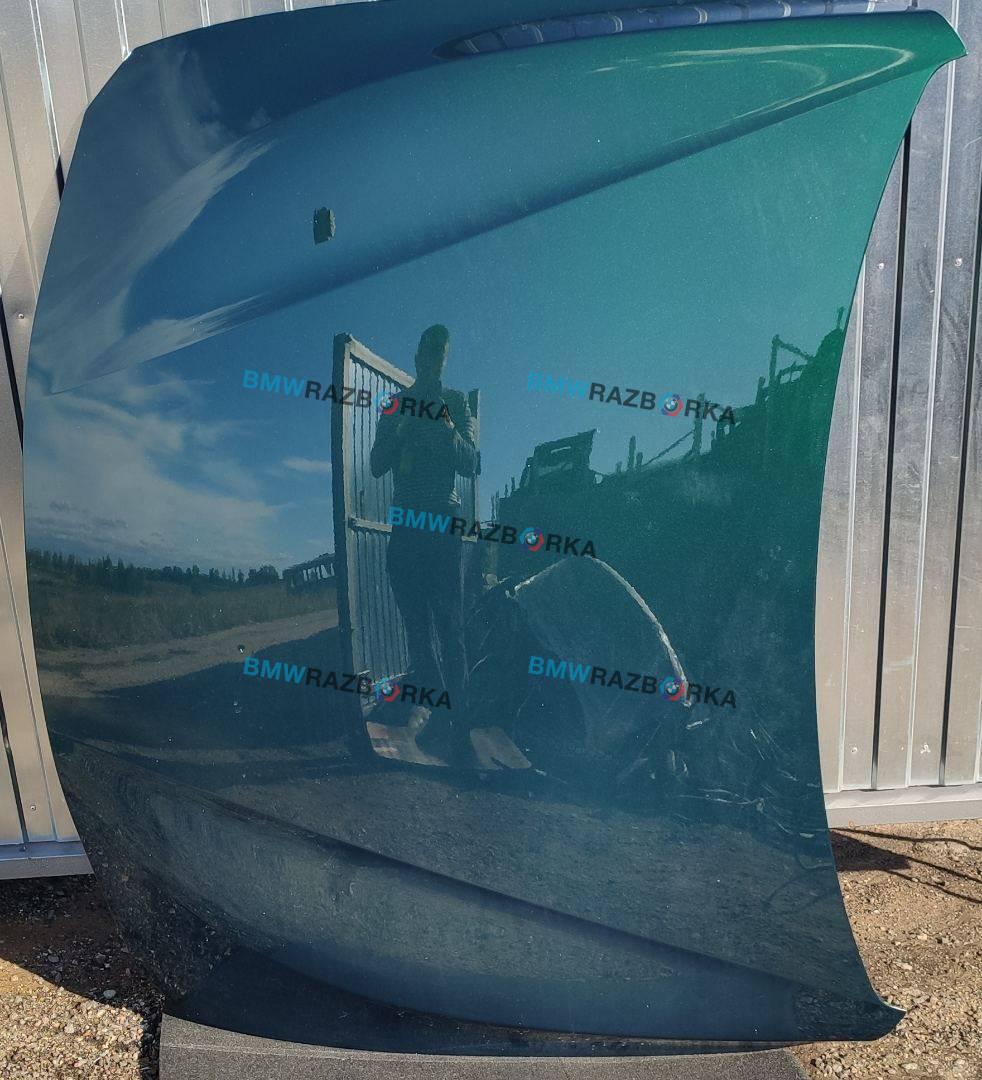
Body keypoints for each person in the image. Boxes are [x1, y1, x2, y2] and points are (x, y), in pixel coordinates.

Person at [370, 325, 478, 754]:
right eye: (427, 354)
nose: (432, 362)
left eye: (440, 356)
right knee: (416, 629)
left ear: (444, 361)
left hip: (442, 522)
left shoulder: (456, 402)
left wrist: (445, 423)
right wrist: (401, 429)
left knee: (450, 627)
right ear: (417, 358)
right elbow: (377, 464)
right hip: (407, 526)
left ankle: (460, 724)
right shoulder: (395, 404)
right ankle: (434, 711)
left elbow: (471, 463)